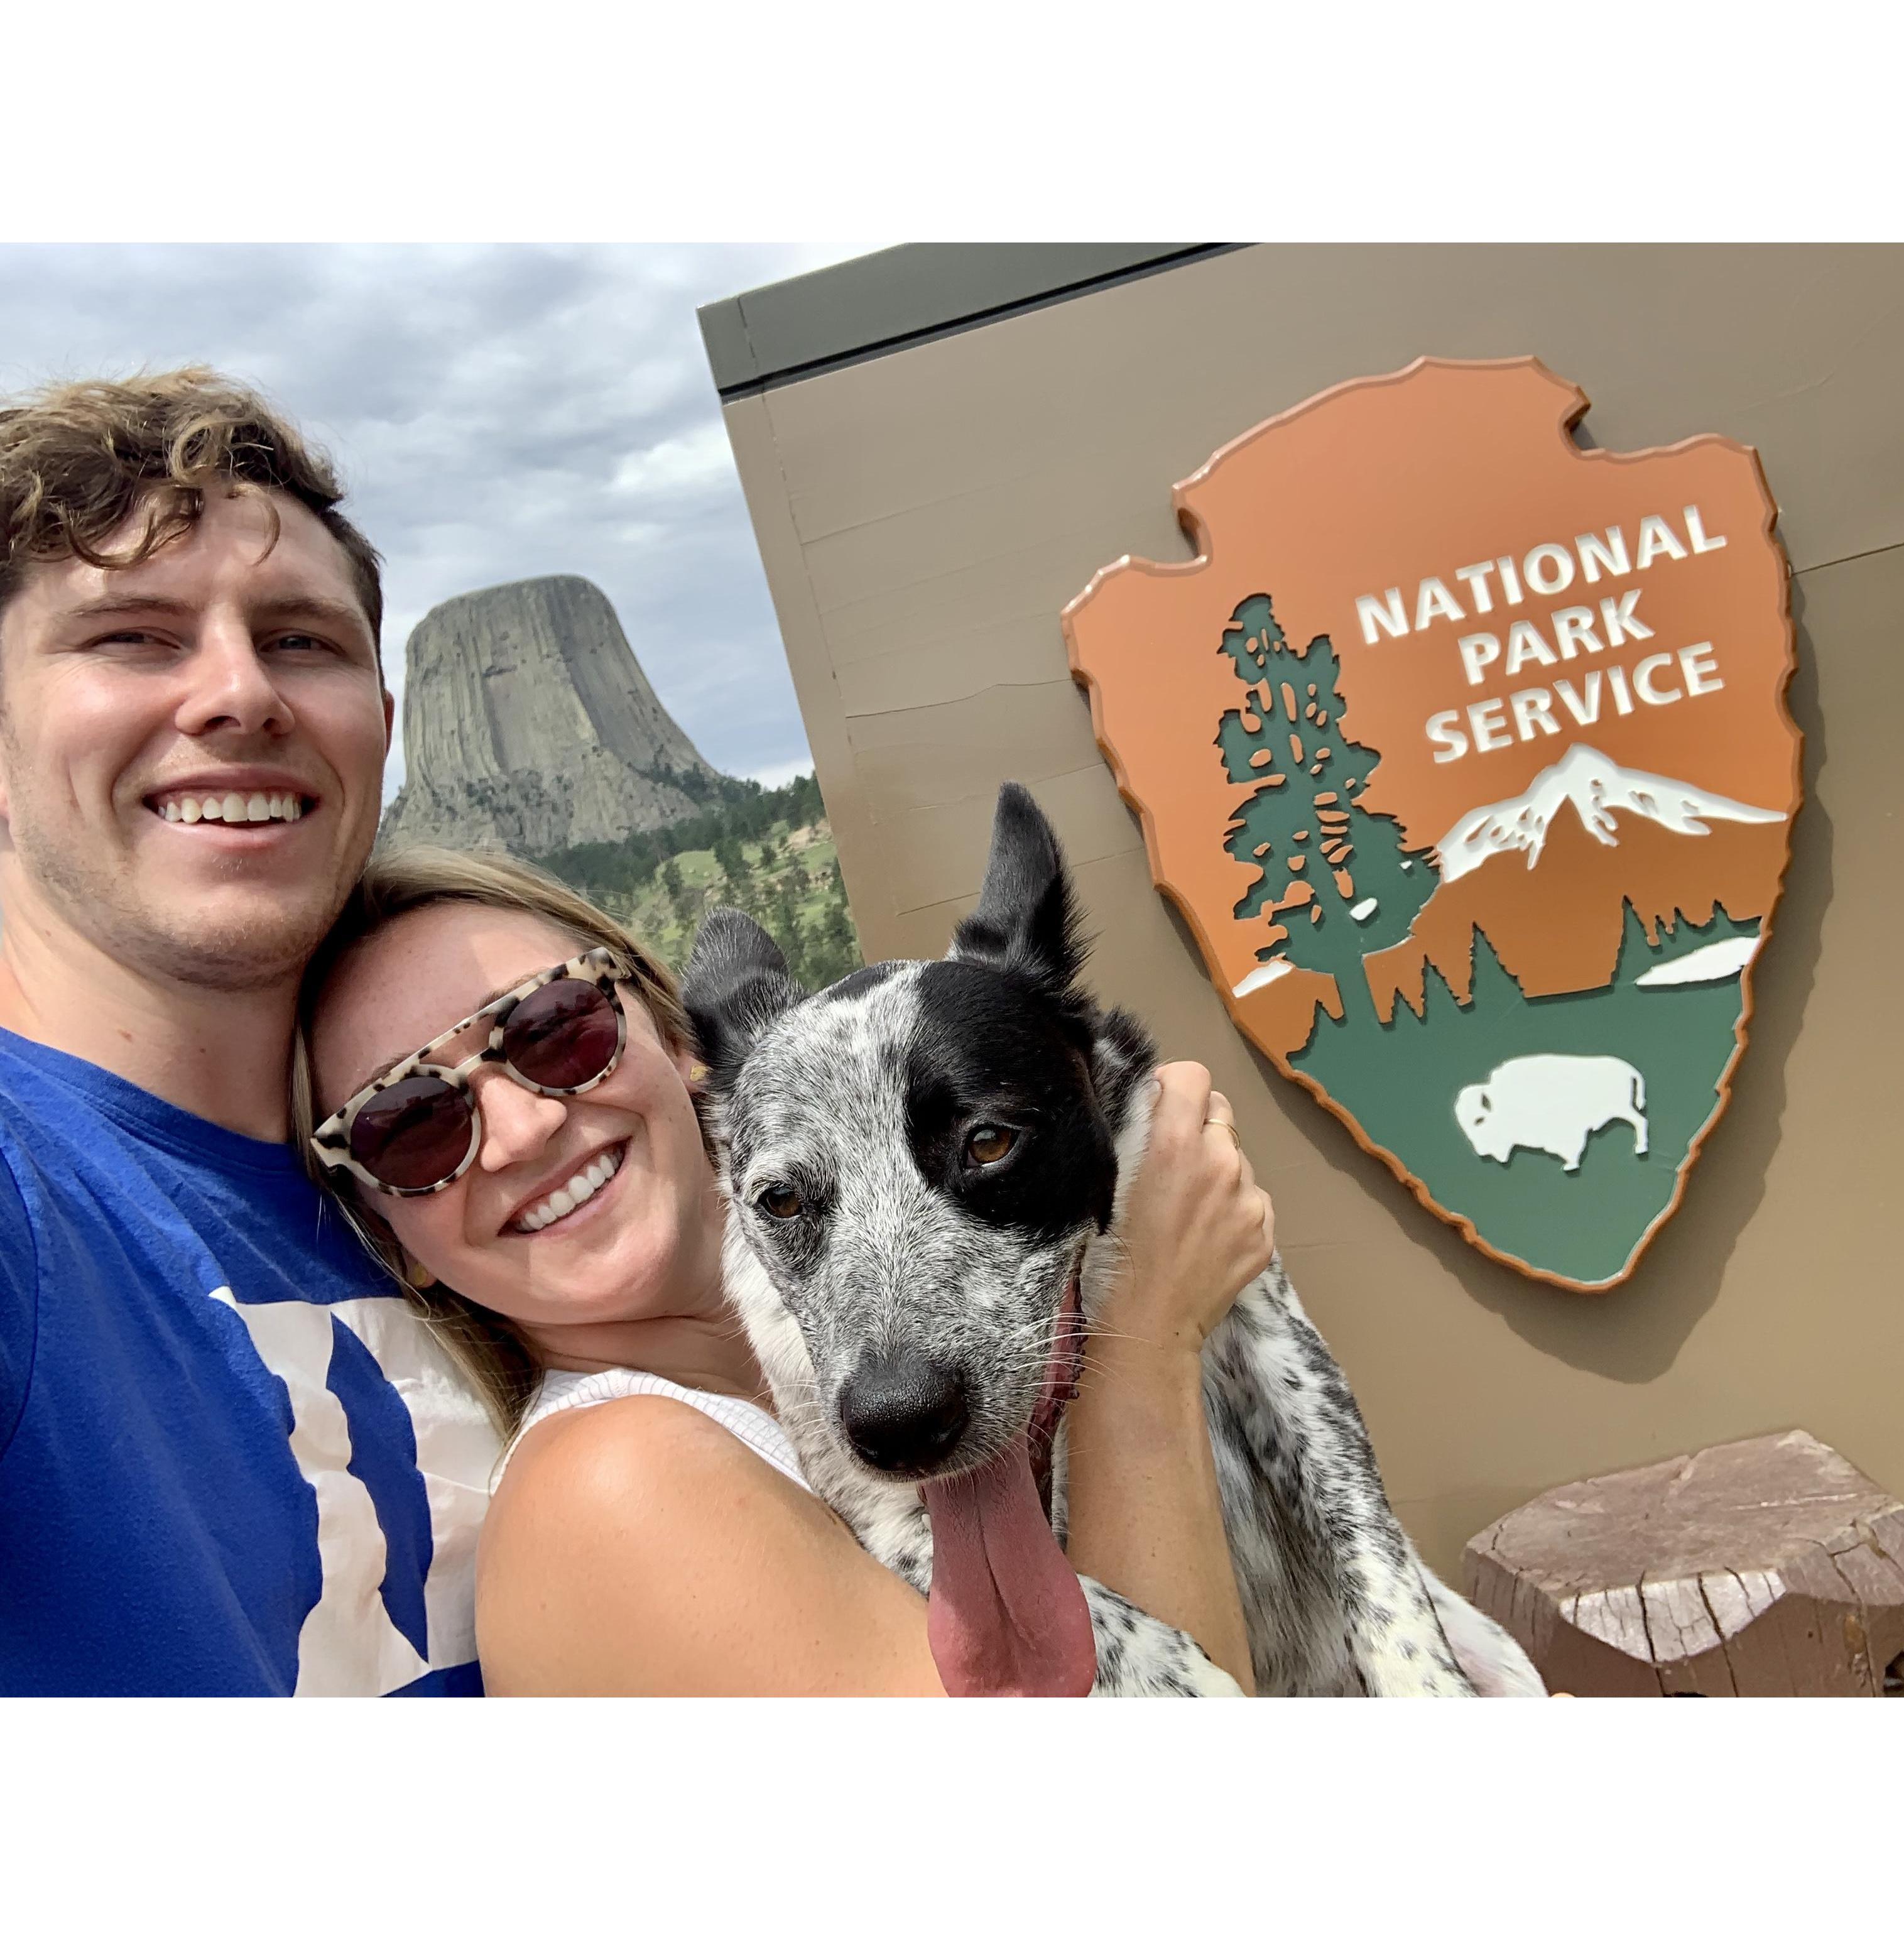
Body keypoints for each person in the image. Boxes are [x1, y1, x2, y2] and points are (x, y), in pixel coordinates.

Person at [296, 847, 1278, 1695]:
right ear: (392, 1243)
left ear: (686, 1052)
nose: (522, 1128)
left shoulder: (825, 1403)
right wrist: (1153, 1328)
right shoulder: (613, 1485)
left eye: (556, 1029)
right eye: (409, 1125)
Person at [0, 371, 499, 1695]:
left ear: (382, 728)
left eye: (300, 640)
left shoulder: (470, 1170)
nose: (240, 694)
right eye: (133, 637)